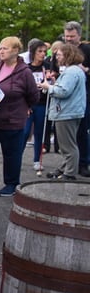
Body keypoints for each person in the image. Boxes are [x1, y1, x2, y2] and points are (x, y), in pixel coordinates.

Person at [0, 36, 39, 197]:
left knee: (11, 153)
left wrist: (24, 107)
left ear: (15, 50)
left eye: (5, 48)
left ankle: (12, 183)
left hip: (12, 120)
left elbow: (33, 95)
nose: (1, 51)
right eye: (0, 48)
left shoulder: (24, 72)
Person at [39, 44, 87, 180]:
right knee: (69, 143)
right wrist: (55, 84)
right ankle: (64, 168)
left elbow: (64, 91)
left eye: (59, 55)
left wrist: (48, 87)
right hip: (70, 111)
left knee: (68, 145)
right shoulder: (75, 71)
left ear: (67, 55)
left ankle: (69, 173)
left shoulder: (71, 72)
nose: (56, 58)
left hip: (66, 112)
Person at [61, 21, 90, 177]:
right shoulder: (63, 49)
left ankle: (84, 163)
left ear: (79, 35)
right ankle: (68, 164)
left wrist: (86, 69)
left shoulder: (87, 49)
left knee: (82, 131)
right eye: (67, 36)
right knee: (67, 135)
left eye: (72, 36)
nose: (69, 39)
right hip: (65, 97)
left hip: (84, 96)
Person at [21, 39, 49, 173]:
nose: (43, 54)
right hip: (29, 105)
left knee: (39, 132)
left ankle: (37, 160)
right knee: (25, 132)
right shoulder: (27, 68)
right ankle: (18, 157)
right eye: (40, 51)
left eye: (44, 51)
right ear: (33, 53)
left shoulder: (47, 67)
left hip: (42, 103)